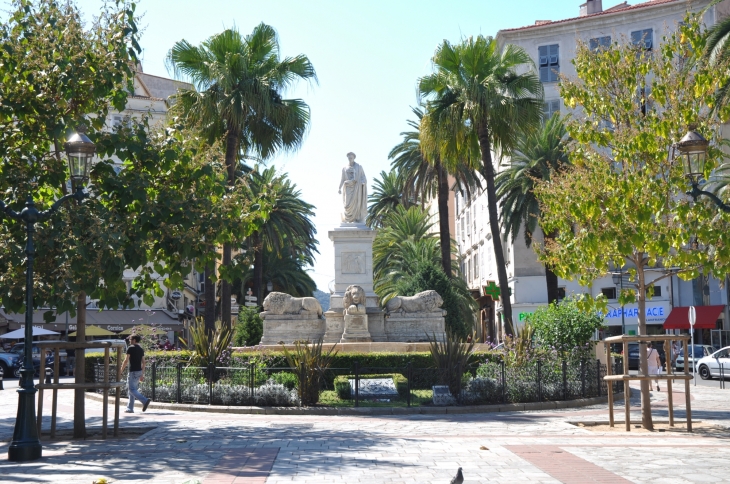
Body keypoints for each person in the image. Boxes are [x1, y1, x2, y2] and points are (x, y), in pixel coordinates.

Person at [120, 334, 150, 413]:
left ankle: (145, 400)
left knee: (131, 389)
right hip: (139, 371)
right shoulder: (140, 349)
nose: (129, 341)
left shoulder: (130, 348)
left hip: (132, 371)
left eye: (130, 339)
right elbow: (144, 362)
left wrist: (120, 370)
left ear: (134, 340)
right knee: (133, 390)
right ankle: (130, 408)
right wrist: (142, 374)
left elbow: (126, 361)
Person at [338, 152, 367, 224]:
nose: (350, 159)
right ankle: (348, 219)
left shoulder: (359, 167)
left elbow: (363, 176)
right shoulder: (344, 168)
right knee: (347, 204)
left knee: (356, 203)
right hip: (348, 187)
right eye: (349, 158)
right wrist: (339, 188)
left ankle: (356, 218)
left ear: (354, 158)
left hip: (357, 188)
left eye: (351, 158)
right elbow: (342, 179)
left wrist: (362, 182)